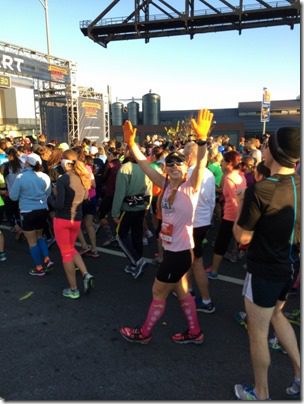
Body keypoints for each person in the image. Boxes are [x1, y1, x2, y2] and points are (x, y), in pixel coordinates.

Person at [119, 108, 213, 344]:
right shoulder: (164, 184)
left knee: (158, 293)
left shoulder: (190, 186)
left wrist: (202, 141)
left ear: (185, 168)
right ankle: (195, 332)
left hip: (179, 253)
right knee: (181, 291)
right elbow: (143, 164)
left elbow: (201, 165)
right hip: (174, 250)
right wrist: (132, 145)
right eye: (168, 164)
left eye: (177, 164)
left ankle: (145, 334)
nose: (172, 167)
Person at [233, 127, 301, 400]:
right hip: (290, 265)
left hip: (264, 270)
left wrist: (240, 203)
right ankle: (299, 374)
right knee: (278, 315)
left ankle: (260, 394)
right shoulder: (299, 182)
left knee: (257, 332)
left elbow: (242, 236)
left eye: (266, 143)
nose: (262, 146)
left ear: (274, 151)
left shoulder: (261, 189)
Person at [48, 149, 95, 299]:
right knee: (71, 248)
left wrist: (51, 198)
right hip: (77, 219)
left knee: (66, 254)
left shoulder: (63, 179)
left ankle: (73, 289)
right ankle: (86, 274)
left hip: (62, 219)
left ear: (66, 162)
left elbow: (59, 204)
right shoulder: (83, 177)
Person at [183, 141, 216, 313]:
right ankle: (188, 291)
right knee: (190, 259)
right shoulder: (210, 174)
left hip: (192, 224)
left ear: (189, 156)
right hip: (203, 222)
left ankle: (206, 300)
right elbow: (212, 201)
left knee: (196, 262)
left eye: (183, 156)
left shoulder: (187, 174)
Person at [9, 153, 54, 276]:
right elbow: (48, 193)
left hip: (27, 211)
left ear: (27, 163)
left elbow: (13, 197)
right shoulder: (45, 176)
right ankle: (47, 259)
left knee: (32, 241)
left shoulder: (21, 177)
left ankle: (39, 268)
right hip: (42, 210)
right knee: (40, 236)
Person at [111, 146, 152, 279]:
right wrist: (147, 206)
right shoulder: (146, 167)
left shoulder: (125, 168)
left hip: (128, 209)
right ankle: (136, 263)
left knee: (120, 236)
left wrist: (115, 213)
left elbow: (119, 193)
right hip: (141, 207)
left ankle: (138, 261)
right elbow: (149, 190)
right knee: (137, 235)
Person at [206, 151, 247, 279]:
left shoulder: (229, 179)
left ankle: (214, 271)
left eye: (223, 161)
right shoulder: (241, 175)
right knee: (233, 240)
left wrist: (235, 218)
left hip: (231, 215)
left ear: (229, 163)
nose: (221, 163)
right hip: (239, 214)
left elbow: (235, 201)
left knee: (220, 244)